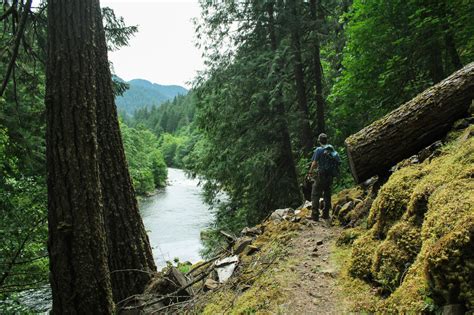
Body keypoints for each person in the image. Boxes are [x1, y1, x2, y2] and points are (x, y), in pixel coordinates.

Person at [307, 133, 340, 221]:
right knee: (327, 192)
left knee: (315, 193)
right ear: (326, 140)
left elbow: (314, 163)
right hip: (330, 175)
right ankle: (326, 214)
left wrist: (310, 172)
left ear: (319, 141)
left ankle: (315, 215)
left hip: (321, 174)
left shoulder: (319, 150)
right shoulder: (331, 148)